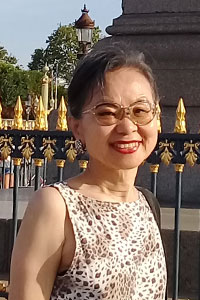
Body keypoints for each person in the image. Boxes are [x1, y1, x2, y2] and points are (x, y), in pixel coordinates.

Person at [9, 44, 167, 300]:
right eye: (107, 113)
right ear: (77, 127)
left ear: (156, 116)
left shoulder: (147, 204)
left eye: (140, 111)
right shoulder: (56, 207)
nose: (128, 126)